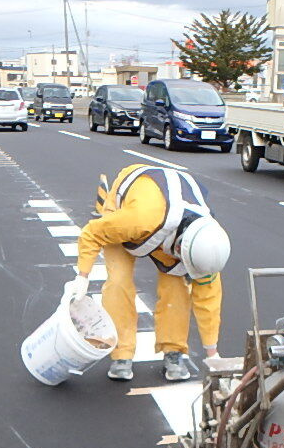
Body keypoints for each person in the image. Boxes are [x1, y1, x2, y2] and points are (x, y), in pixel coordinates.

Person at [66, 163, 231, 381]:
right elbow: (92, 233)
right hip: (128, 206)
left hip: (167, 222)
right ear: (180, 248)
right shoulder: (138, 219)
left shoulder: (208, 247)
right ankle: (121, 355)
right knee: (118, 281)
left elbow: (208, 299)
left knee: (177, 286)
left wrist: (213, 354)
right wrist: (83, 275)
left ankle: (174, 351)